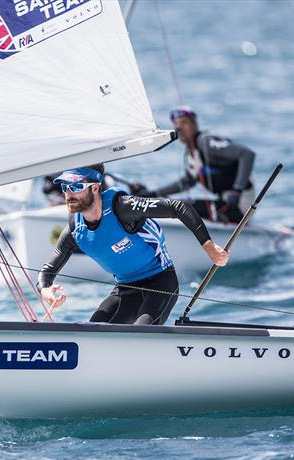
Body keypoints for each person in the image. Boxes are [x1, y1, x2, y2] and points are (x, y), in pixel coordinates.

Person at [38, 167, 229, 325]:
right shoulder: (75, 230)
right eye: (65, 187)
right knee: (91, 331)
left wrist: (209, 248)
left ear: (95, 188)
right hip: (124, 289)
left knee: (139, 333)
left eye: (77, 186)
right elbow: (48, 270)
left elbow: (178, 207)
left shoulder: (122, 208)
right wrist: (45, 289)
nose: (69, 193)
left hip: (160, 282)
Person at [134, 106, 256, 223]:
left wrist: (237, 190)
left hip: (240, 205)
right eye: (176, 124)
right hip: (223, 203)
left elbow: (247, 154)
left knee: (181, 207)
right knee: (174, 205)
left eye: (184, 123)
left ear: (194, 124)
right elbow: (188, 182)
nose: (179, 128)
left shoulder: (206, 143)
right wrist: (153, 194)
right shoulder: (191, 154)